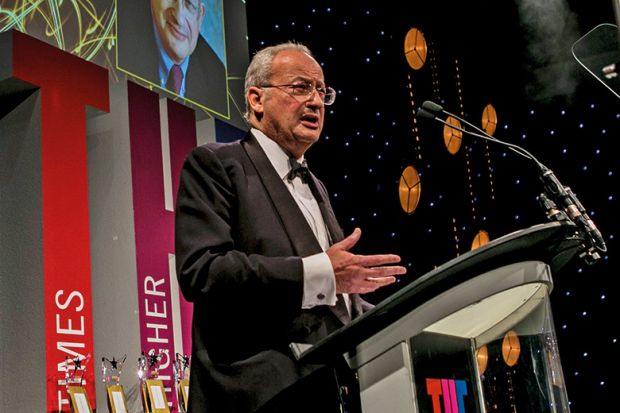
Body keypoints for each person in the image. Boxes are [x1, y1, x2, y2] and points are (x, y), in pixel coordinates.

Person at [174, 41, 407, 413]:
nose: (315, 101)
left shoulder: (317, 186)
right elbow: (202, 270)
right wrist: (322, 273)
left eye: (321, 91)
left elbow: (332, 298)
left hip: (327, 392)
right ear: (256, 99)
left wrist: (393, 315)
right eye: (300, 87)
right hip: (256, 397)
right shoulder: (216, 165)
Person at [116, 0, 228, 115]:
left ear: (200, 17)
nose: (179, 18)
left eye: (189, 4)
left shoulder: (217, 78)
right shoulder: (117, 33)